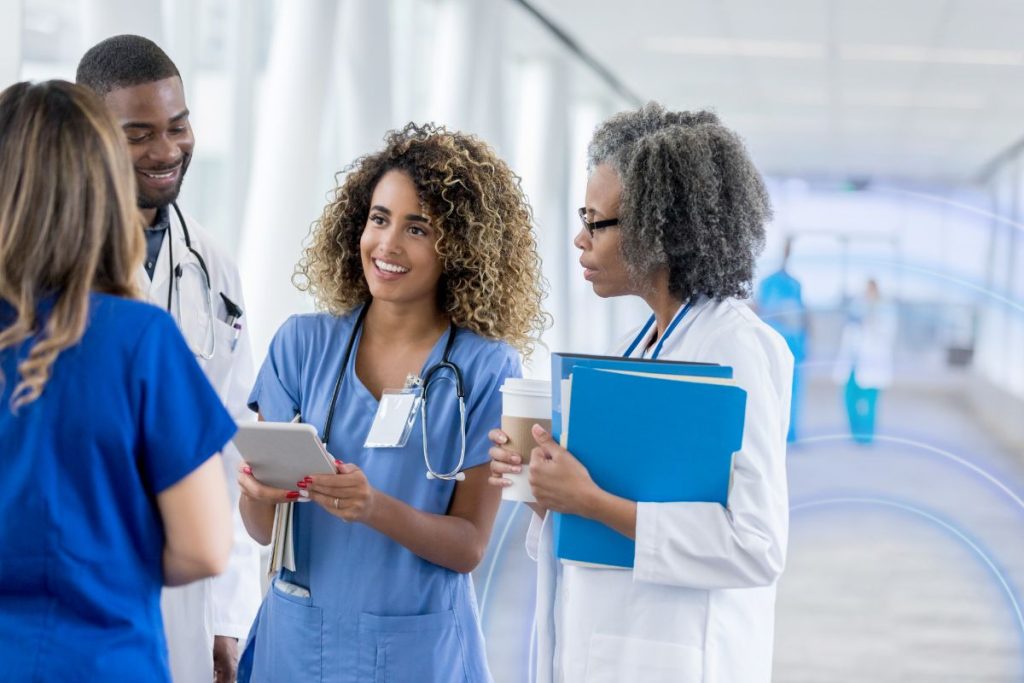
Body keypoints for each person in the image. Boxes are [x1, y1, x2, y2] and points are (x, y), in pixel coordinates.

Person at [489, 104, 793, 683]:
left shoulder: (737, 349)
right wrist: (544, 488)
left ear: (660, 229)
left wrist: (591, 502)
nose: (580, 238)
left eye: (596, 220)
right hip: (605, 648)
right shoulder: (636, 346)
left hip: (679, 658)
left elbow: (756, 546)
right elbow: (605, 512)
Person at [236, 123, 547, 682]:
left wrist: (372, 507)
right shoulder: (301, 345)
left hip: (417, 655)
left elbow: (470, 546)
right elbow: (262, 529)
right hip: (300, 645)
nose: (388, 246)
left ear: (459, 247)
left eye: (418, 228)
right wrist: (258, 494)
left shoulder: (484, 368)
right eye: (379, 219)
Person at [0, 80, 234, 682]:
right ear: (102, 186)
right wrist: (95, 559)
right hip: (101, 659)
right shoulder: (139, 340)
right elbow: (205, 545)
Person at [76, 35, 261, 682]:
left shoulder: (212, 263)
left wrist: (228, 613)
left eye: (178, 126)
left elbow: (231, 446)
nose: (167, 150)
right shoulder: (51, 270)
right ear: (92, 136)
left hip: (188, 589)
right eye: (139, 133)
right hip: (84, 577)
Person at [756, 236, 808, 442]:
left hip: (793, 345)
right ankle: (775, 431)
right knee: (771, 389)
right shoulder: (769, 284)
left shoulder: (794, 285)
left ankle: (789, 432)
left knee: (791, 390)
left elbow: (802, 316)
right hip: (775, 344)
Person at [833, 278, 896, 444]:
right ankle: (855, 432)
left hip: (872, 365)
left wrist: (869, 322)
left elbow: (886, 334)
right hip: (853, 363)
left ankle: (866, 436)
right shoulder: (857, 305)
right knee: (849, 399)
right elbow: (848, 330)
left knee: (869, 402)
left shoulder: (885, 309)